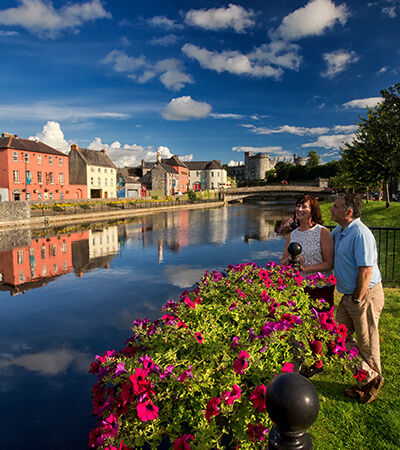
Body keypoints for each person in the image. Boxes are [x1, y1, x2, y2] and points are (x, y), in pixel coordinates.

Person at [330, 193, 384, 404]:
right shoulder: (340, 230)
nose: (331, 209)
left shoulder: (361, 234)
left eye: (335, 206)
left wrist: (357, 299)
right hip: (349, 295)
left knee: (367, 344)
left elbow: (365, 271)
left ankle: (367, 385)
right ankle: (368, 378)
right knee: (336, 338)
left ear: (348, 212)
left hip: (364, 295)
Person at [281, 195, 335, 377]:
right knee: (309, 326)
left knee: (323, 324)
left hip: (321, 286)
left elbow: (329, 263)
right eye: (297, 206)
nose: (299, 209)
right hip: (300, 287)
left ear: (313, 210)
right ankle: (317, 362)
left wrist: (305, 268)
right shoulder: (292, 234)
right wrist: (291, 260)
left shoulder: (322, 232)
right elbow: (282, 263)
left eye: (304, 206)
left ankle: (332, 349)